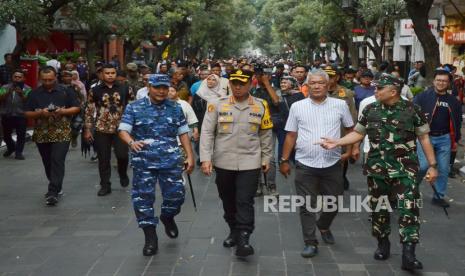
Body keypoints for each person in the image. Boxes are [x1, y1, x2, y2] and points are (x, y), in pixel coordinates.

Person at [317, 73, 438, 272]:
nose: (376, 91)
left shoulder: (413, 110)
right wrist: (337, 142)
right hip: (377, 170)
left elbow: (424, 138)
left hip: (405, 170)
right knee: (379, 210)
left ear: (393, 91)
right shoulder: (370, 109)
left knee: (409, 209)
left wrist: (432, 165)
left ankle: (409, 254)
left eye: (380, 88)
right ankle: (383, 243)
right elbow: (358, 132)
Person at [279, 70, 354, 258]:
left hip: (333, 162)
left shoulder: (340, 105)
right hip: (305, 163)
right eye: (313, 83)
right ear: (307, 85)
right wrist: (284, 160)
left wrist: (351, 150)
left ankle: (324, 225)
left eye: (321, 83)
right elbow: (291, 135)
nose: (317, 86)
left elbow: (350, 129)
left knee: (334, 201)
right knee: (306, 205)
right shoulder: (297, 106)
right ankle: (310, 241)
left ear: (328, 85)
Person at [118, 74, 195, 256]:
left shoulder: (175, 108)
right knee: (143, 199)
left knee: (176, 195)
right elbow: (123, 130)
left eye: (164, 88)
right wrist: (131, 143)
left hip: (170, 160)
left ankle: (168, 217)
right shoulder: (135, 107)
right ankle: (150, 237)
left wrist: (190, 156)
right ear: (149, 86)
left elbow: (183, 133)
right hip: (143, 160)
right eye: (157, 87)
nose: (161, 91)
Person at [200, 69, 273, 257]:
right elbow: (207, 133)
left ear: (250, 84)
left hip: (251, 161)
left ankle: (244, 237)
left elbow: (265, 134)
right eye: (234, 83)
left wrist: (266, 158)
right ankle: (233, 229)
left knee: (244, 200)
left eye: (242, 83)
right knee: (228, 199)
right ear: (229, 84)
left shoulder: (261, 105)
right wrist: (206, 158)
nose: (238, 87)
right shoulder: (216, 105)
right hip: (223, 161)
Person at [24, 66, 81, 206]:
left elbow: (77, 107)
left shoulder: (66, 91)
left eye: (50, 79)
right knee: (47, 160)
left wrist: (62, 111)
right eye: (45, 80)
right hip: (42, 132)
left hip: (62, 131)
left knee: (57, 159)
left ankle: (53, 191)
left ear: (56, 77)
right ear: (40, 79)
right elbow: (26, 113)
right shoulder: (34, 93)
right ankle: (55, 183)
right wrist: (40, 113)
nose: (48, 82)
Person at [413, 69, 462, 208]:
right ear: (434, 81)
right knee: (423, 166)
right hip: (424, 137)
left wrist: (456, 139)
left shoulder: (453, 101)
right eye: (438, 80)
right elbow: (412, 115)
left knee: (443, 168)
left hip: (445, 138)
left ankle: (439, 196)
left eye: (444, 81)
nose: (441, 83)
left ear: (449, 83)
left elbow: (457, 121)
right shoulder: (422, 97)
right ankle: (411, 190)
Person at [84, 64, 134, 196]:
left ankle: (122, 173)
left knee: (122, 155)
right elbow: (89, 110)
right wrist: (88, 129)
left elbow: (133, 106)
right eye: (107, 73)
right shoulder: (95, 90)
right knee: (103, 158)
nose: (110, 75)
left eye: (113, 72)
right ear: (102, 74)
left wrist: (134, 125)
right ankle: (105, 185)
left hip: (121, 128)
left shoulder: (125, 88)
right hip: (102, 127)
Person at [324, 65, 357, 190]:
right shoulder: (318, 91)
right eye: (325, 76)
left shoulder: (346, 93)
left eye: (330, 77)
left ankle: (341, 177)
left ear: (337, 78)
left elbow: (353, 116)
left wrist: (354, 144)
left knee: (342, 158)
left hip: (342, 133)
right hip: (324, 131)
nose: (328, 79)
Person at [250, 69, 279, 196]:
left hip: (268, 127)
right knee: (254, 156)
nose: (261, 77)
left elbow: (276, 101)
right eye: (258, 75)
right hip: (252, 126)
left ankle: (271, 185)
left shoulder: (276, 88)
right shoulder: (252, 89)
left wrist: (267, 84)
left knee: (270, 157)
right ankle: (258, 185)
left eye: (264, 75)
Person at [0, 70, 32, 159]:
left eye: (19, 77)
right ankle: (11, 148)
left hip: (21, 115)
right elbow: (0, 99)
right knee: (6, 136)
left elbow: (29, 102)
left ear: (23, 78)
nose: (17, 79)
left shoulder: (28, 89)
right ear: (12, 78)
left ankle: (18, 153)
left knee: (21, 135)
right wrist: (7, 93)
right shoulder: (5, 87)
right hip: (7, 114)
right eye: (15, 77)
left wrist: (21, 94)